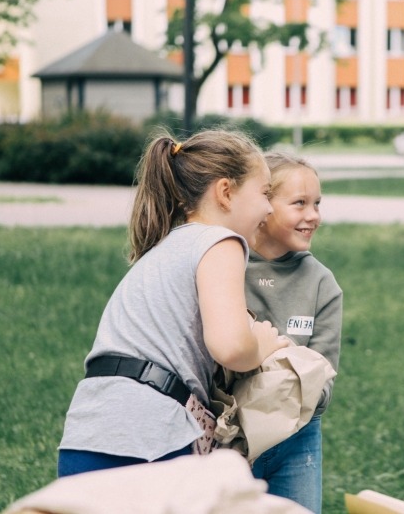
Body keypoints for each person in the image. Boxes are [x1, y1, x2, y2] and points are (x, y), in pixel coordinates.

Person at [57, 130, 289, 477]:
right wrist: (262, 345)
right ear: (226, 192)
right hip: (151, 436)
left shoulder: (164, 250)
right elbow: (231, 346)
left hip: (86, 436)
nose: (270, 208)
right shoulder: (220, 241)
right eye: (265, 193)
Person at [244, 152, 343, 514]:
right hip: (229, 439)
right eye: (299, 203)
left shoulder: (322, 283)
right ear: (262, 206)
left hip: (298, 439)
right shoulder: (226, 266)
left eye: (317, 203)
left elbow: (323, 380)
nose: (313, 215)